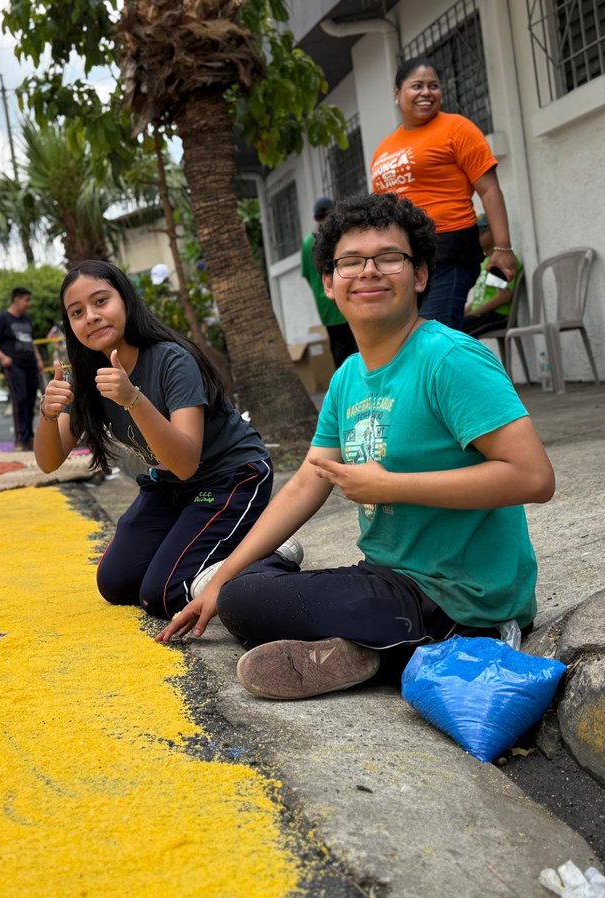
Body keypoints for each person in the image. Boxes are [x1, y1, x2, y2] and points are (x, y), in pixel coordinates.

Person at [157, 194, 555, 702]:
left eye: (389, 258)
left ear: (420, 276)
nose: (369, 272)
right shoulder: (347, 378)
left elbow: (533, 478)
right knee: (227, 585)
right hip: (387, 579)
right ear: (329, 282)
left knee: (245, 599)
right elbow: (307, 481)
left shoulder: (450, 359)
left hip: (462, 598)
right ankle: (368, 649)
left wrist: (391, 487)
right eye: (350, 262)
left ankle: (397, 651)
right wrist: (221, 579)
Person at [36, 260, 293, 620]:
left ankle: (267, 551)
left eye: (101, 301)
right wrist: (48, 414)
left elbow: (186, 462)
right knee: (117, 583)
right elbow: (49, 461)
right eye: (77, 312)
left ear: (125, 300)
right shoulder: (85, 377)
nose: (91, 317)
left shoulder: (173, 360)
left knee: (163, 594)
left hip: (231, 479)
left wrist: (132, 399)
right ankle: (223, 543)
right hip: (171, 488)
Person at [369, 57, 517, 329]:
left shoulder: (457, 128)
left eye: (433, 86)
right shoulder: (383, 149)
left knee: (436, 334)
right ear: (397, 93)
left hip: (449, 248)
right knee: (411, 338)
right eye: (417, 86)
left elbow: (489, 188)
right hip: (403, 256)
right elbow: (382, 213)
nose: (426, 93)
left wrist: (503, 247)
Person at [0, 287, 45, 451]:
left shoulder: (27, 319)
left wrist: (39, 359)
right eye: (26, 300)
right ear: (17, 300)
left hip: (30, 364)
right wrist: (3, 358)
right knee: (20, 400)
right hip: (15, 365)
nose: (29, 304)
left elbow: (30, 341)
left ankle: (29, 437)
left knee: (31, 400)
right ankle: (21, 439)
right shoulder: (3, 318)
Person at [303, 196, 357, 366]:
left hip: (324, 303)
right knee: (350, 345)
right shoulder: (335, 239)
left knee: (337, 345)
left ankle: (342, 384)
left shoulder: (307, 243)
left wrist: (320, 292)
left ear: (314, 218)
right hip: (341, 299)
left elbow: (307, 275)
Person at [462, 214, 523, 337]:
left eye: (480, 231)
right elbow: (480, 299)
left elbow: (504, 297)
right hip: (483, 314)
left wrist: (473, 313)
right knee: (448, 324)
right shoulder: (485, 262)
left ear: (494, 231)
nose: (476, 236)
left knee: (457, 332)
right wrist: (463, 312)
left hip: (497, 315)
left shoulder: (501, 261)